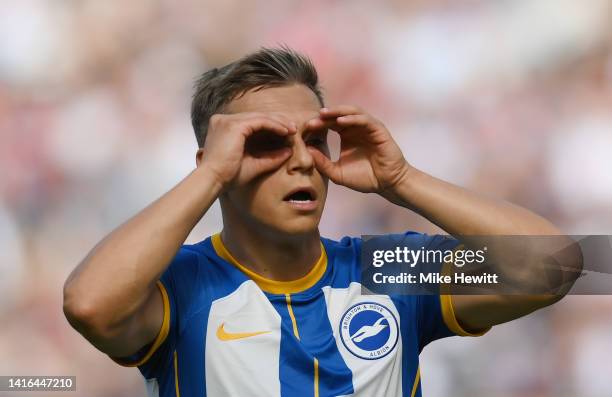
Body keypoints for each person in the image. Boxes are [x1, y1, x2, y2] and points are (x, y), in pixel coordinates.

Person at [63, 46, 580, 397]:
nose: (302, 160)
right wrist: (212, 176)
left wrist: (400, 179)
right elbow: (89, 304)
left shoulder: (387, 269)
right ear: (216, 161)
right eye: (265, 143)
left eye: (313, 139)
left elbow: (556, 266)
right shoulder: (182, 287)